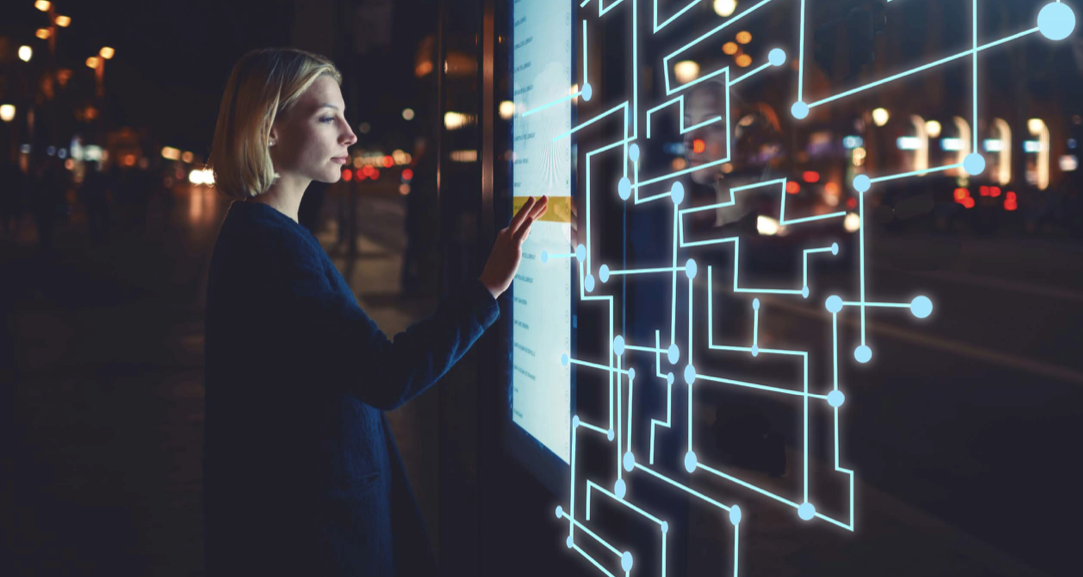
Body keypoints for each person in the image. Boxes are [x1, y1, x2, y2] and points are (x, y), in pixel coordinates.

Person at [202, 47, 548, 576]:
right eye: (327, 117)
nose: (350, 134)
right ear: (268, 129)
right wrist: (487, 288)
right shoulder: (276, 249)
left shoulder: (262, 235)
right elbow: (386, 375)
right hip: (319, 537)